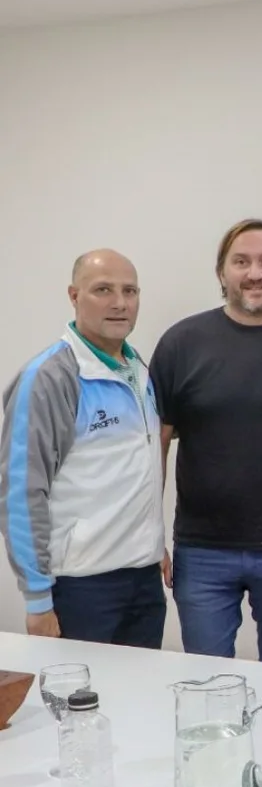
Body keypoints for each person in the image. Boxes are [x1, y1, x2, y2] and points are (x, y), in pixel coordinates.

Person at [150, 219, 262, 664]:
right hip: (202, 551)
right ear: (222, 272)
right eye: (241, 261)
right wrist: (151, 537)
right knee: (207, 683)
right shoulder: (181, 343)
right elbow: (156, 447)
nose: (255, 273)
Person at [0, 250, 164, 647]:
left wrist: (156, 546)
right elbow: (21, 493)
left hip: (143, 580)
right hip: (81, 589)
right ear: (74, 296)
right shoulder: (49, 377)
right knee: (79, 706)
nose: (120, 302)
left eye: (130, 290)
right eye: (102, 290)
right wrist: (37, 600)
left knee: (139, 702)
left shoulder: (136, 369)